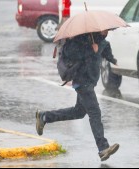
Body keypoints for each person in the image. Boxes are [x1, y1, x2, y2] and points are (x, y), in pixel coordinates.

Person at [36, 30, 119, 162]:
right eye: (104, 30)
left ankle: (45, 116)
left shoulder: (101, 41)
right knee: (95, 113)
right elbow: (71, 53)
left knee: (79, 112)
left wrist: (114, 60)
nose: (106, 32)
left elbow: (106, 49)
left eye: (108, 30)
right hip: (82, 81)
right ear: (97, 29)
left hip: (90, 82)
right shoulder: (80, 40)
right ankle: (103, 148)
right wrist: (91, 50)